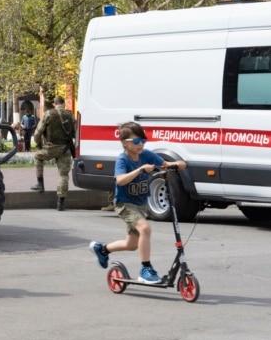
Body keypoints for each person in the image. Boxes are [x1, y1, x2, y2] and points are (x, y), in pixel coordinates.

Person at [89, 122, 187, 284]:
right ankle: (145, 269)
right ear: (125, 143)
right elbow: (120, 180)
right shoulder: (123, 159)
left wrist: (174, 165)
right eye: (136, 142)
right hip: (125, 205)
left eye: (143, 140)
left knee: (132, 244)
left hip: (140, 205)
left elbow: (168, 164)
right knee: (145, 229)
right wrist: (140, 170)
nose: (140, 144)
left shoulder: (146, 155)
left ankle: (103, 249)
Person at [30, 96, 75, 211]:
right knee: (63, 175)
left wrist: (38, 143)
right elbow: (74, 134)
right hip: (65, 149)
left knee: (37, 156)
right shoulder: (70, 115)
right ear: (63, 103)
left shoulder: (49, 114)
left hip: (50, 148)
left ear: (55, 104)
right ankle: (61, 202)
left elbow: (38, 132)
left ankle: (40, 184)